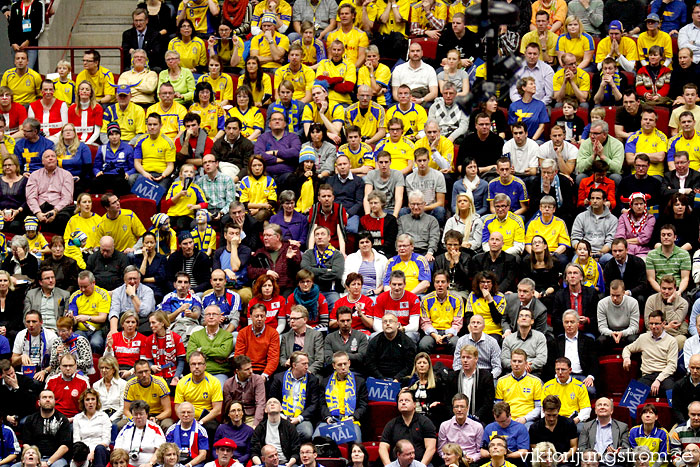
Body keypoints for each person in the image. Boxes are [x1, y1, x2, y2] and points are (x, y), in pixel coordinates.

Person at [623, 309, 677, 396]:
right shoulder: (643, 338)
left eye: (656, 324)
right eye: (651, 324)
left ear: (663, 323)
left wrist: (658, 380)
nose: (653, 326)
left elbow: (672, 366)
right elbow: (627, 349)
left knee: (673, 397)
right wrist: (626, 358)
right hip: (647, 375)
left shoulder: (672, 341)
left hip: (664, 376)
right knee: (630, 400)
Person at [269, 351, 320, 442]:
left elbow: (314, 404)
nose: (307, 367)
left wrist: (299, 418)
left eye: (307, 363)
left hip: (302, 418)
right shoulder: (278, 378)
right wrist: (281, 415)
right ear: (294, 365)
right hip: (281, 416)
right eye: (304, 364)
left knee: (307, 432)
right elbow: (272, 399)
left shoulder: (312, 380)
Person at [22, 390, 71, 467]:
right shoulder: (30, 419)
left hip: (56, 459)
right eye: (44, 397)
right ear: (39, 402)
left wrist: (48, 462)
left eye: (50, 397)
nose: (48, 400)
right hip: (35, 457)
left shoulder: (62, 420)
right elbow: (26, 444)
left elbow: (64, 447)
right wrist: (36, 460)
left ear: (54, 402)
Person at [418, 270, 463, 354]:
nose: (440, 285)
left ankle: (454, 367)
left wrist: (448, 335)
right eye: (437, 282)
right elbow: (425, 322)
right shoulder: (426, 300)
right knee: (423, 345)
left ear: (448, 283)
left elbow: (458, 322)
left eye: (443, 282)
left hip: (450, 332)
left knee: (456, 343)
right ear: (434, 284)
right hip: (432, 332)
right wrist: (435, 336)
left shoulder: (457, 299)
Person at [495, 349, 543, 425]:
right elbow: (498, 406)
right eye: (514, 361)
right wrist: (506, 418)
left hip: (527, 420)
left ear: (526, 363)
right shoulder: (501, 381)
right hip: (506, 419)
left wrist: (525, 418)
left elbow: (539, 407)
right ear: (510, 362)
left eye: (520, 361)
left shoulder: (536, 381)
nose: (516, 364)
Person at [234, 304, 281, 379]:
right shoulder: (243, 333)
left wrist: (265, 375)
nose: (259, 319)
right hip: (246, 369)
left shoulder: (273, 333)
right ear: (251, 317)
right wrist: (245, 372)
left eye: (262, 316)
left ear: (265, 317)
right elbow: (239, 356)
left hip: (264, 370)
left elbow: (273, 359)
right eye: (256, 316)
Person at [250, 400, 301, 467]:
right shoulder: (260, 428)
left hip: (287, 463)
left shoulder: (289, 426)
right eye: (269, 403)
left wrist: (289, 464)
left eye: (275, 402)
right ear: (265, 410)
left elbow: (296, 451)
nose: (272, 404)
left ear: (281, 408)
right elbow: (254, 452)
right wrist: (260, 465)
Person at [528, 395, 578, 461]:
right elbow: (534, 450)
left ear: (558, 411)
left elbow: (574, 446)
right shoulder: (534, 428)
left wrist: (567, 455)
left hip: (565, 461)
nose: (551, 419)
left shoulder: (569, 424)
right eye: (548, 415)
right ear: (543, 410)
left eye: (554, 415)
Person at [500, 308, 548, 376]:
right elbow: (504, 360)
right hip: (512, 373)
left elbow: (542, 359)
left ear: (532, 321)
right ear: (517, 321)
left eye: (527, 316)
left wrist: (528, 366)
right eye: (521, 316)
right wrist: (519, 366)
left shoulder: (540, 337)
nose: (524, 318)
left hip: (533, 373)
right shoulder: (509, 339)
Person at [10, 309, 57, 377]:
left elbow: (57, 363)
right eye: (28, 322)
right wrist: (20, 358)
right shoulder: (21, 335)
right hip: (26, 372)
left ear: (41, 322)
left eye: (34, 321)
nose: (31, 325)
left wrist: (44, 371)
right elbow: (13, 362)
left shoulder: (51, 336)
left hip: (45, 372)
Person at [223, 355, 266, 428]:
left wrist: (255, 425)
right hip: (235, 416)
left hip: (252, 416)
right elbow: (228, 407)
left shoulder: (257, 380)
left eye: (251, 368)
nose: (251, 371)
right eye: (247, 369)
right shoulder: (228, 384)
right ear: (237, 371)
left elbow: (260, 404)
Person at [437, 396, 484, 462]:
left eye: (462, 406)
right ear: (453, 409)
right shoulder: (444, 426)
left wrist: (473, 459)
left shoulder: (477, 427)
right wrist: (448, 458)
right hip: (450, 460)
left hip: (470, 461)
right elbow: (441, 450)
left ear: (467, 408)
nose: (459, 410)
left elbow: (480, 451)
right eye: (456, 407)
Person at [597, 279, 640, 351]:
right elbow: (602, 327)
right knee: (600, 340)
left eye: (618, 295)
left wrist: (622, 333)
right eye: (612, 295)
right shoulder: (602, 303)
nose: (614, 298)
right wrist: (611, 333)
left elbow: (634, 327)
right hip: (610, 334)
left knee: (634, 340)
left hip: (627, 333)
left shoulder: (633, 302)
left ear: (623, 293)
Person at [279, 303, 325, 371]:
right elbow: (282, 358)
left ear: (305, 320)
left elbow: (320, 360)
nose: (292, 321)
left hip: (310, 372)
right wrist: (285, 363)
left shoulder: (316, 335)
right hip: (291, 372)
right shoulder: (286, 337)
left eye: (295, 319)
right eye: (291, 318)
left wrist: (308, 371)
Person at [73, 389, 111, 467]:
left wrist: (93, 452)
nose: (90, 402)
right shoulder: (77, 418)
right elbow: (76, 440)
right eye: (87, 400)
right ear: (83, 402)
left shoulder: (104, 416)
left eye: (93, 399)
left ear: (97, 402)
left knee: (99, 449)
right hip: (83, 451)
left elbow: (106, 440)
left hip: (101, 451)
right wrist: (86, 453)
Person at [23, 267, 69, 331]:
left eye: (52, 277)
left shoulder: (64, 295)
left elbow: (65, 319)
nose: (51, 280)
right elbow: (26, 317)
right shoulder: (31, 295)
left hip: (56, 331)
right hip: (36, 331)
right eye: (47, 278)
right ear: (40, 282)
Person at [325, 305, 369, 370]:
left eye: (348, 320)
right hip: (335, 372)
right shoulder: (329, 338)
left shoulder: (361, 336)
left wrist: (338, 355)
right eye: (342, 321)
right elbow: (328, 359)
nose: (345, 323)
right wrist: (353, 356)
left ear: (352, 320)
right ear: (337, 322)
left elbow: (362, 357)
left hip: (356, 372)